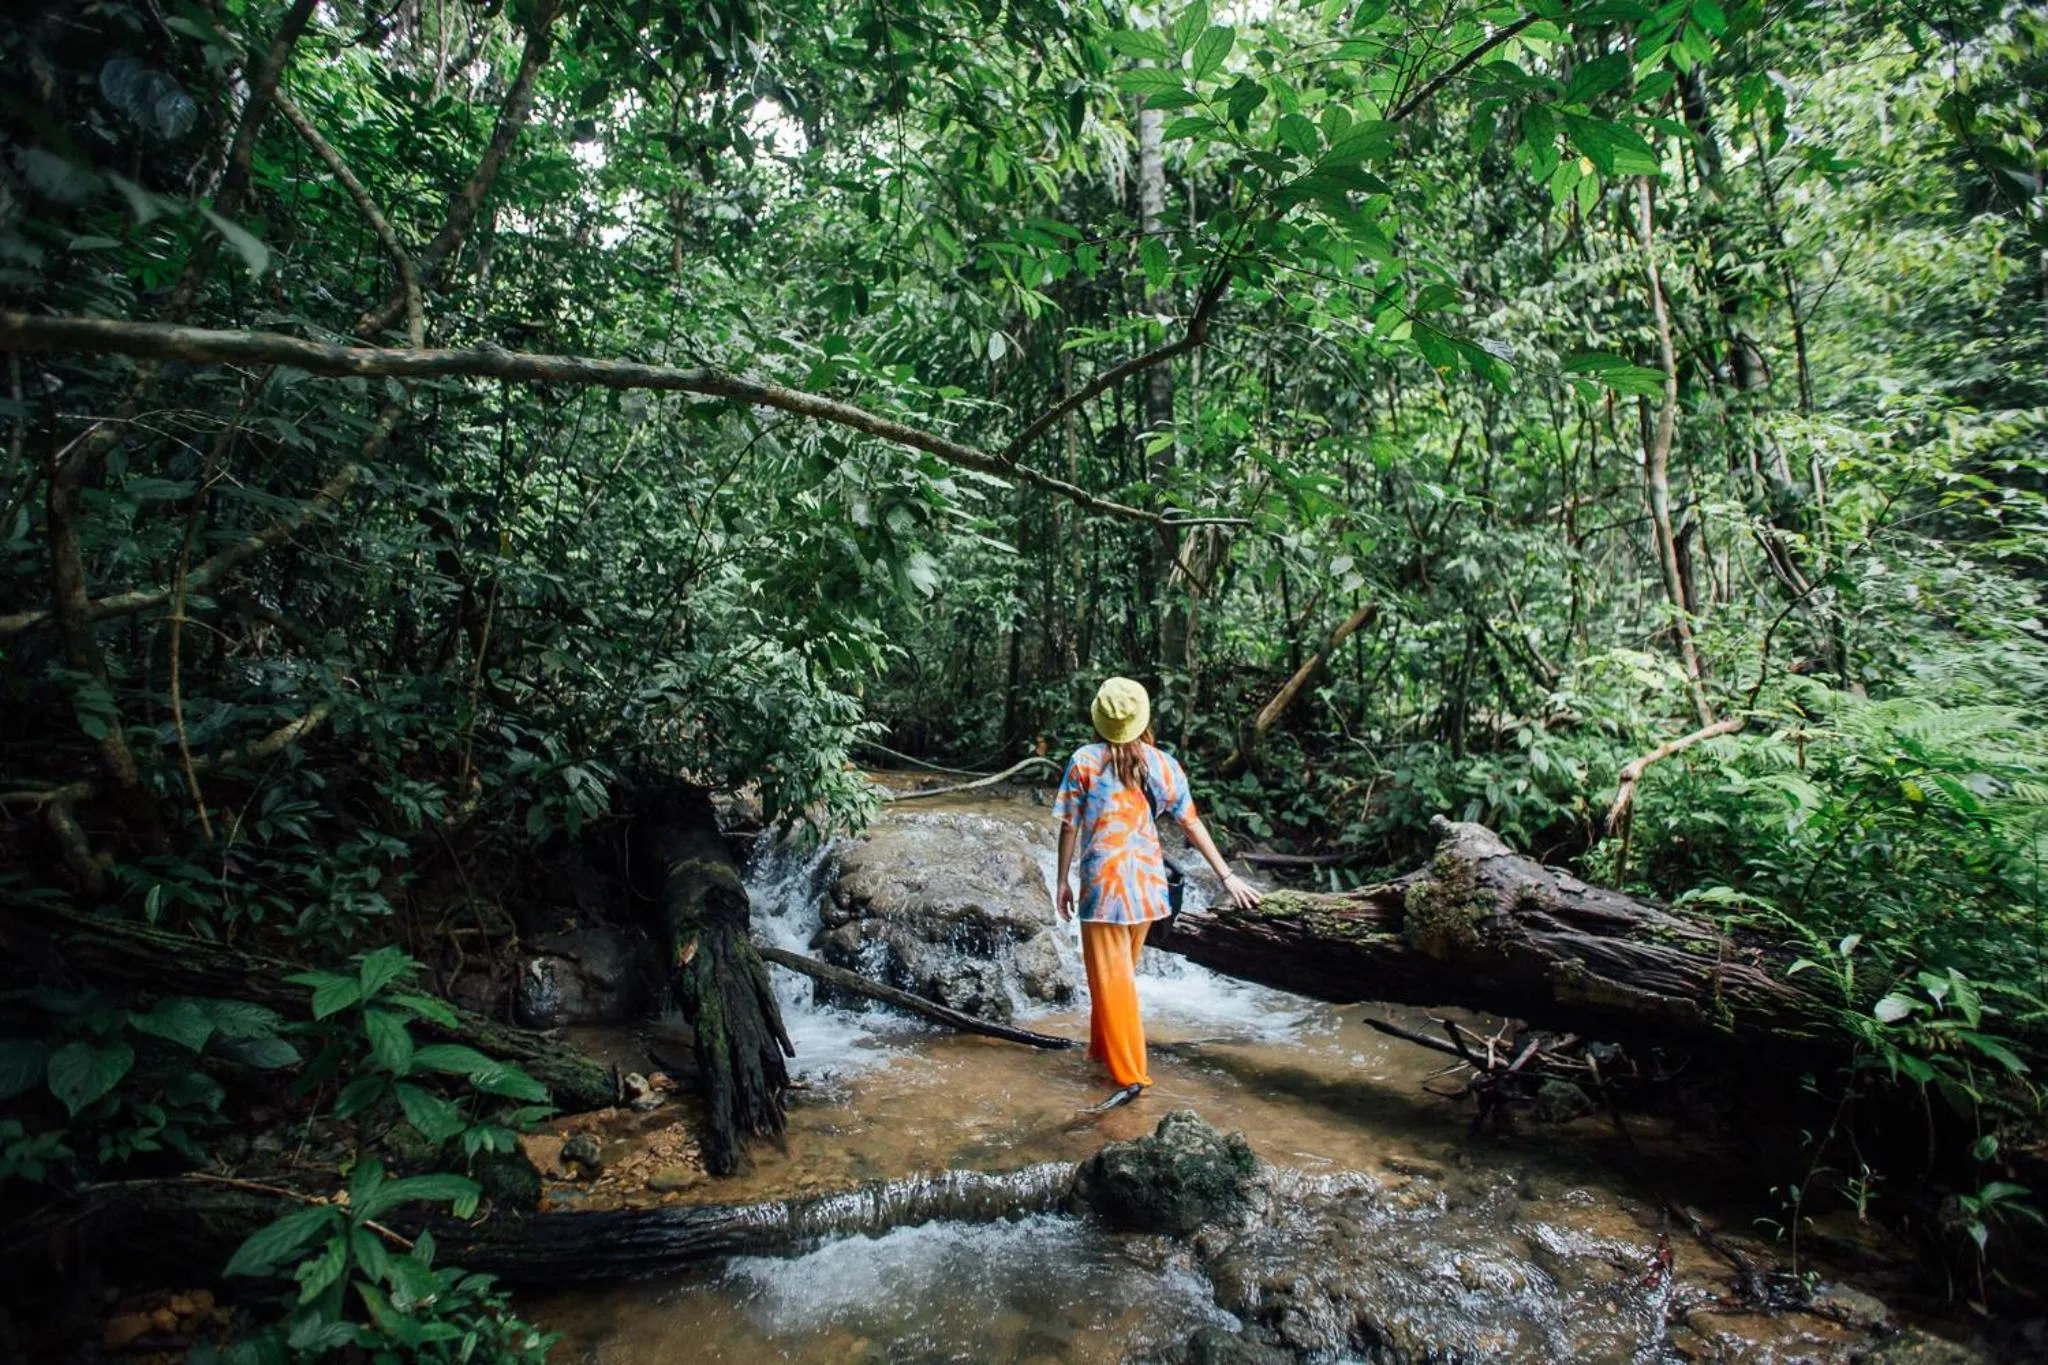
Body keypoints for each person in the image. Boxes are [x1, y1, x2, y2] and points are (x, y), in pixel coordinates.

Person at [1054, 676, 1262, 1111]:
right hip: (1147, 889)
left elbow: (1069, 825)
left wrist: (1061, 881)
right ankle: (1100, 1054)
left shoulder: (1085, 763)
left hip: (1105, 890)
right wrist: (1226, 876)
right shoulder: (1163, 765)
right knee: (1115, 980)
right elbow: (1190, 823)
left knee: (1114, 983)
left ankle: (1131, 1075)